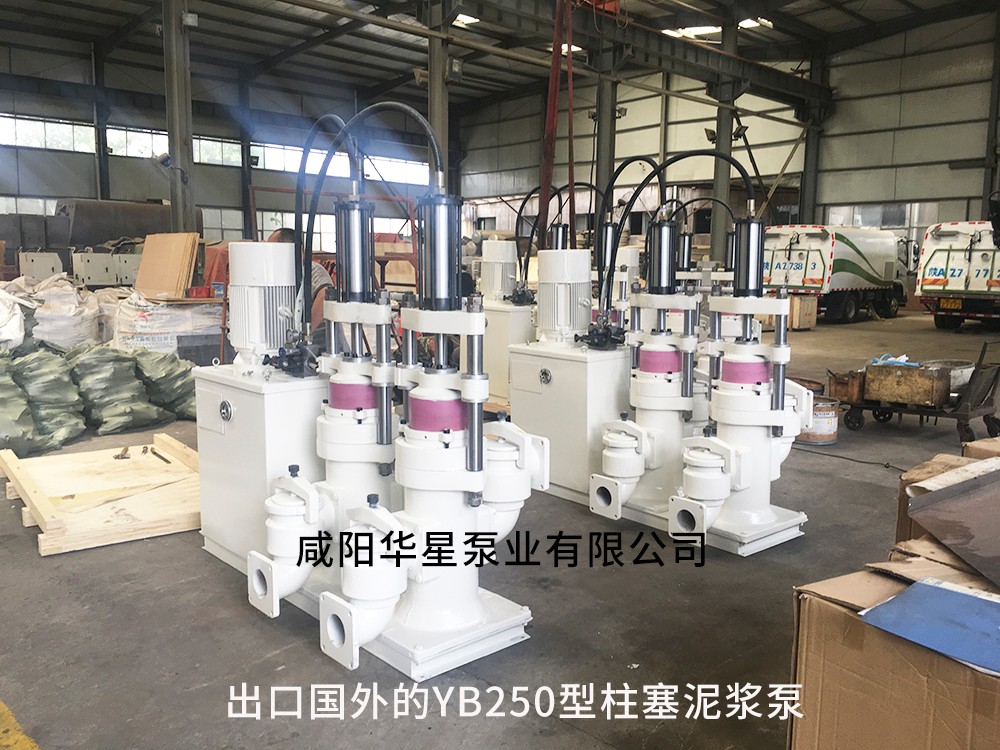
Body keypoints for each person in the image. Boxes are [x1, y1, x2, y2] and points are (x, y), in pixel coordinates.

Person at [267, 228, 347, 352]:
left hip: (322, 348)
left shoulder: (311, 270)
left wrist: (302, 335)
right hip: (292, 349)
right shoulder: (278, 277)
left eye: (271, 249)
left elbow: (325, 297)